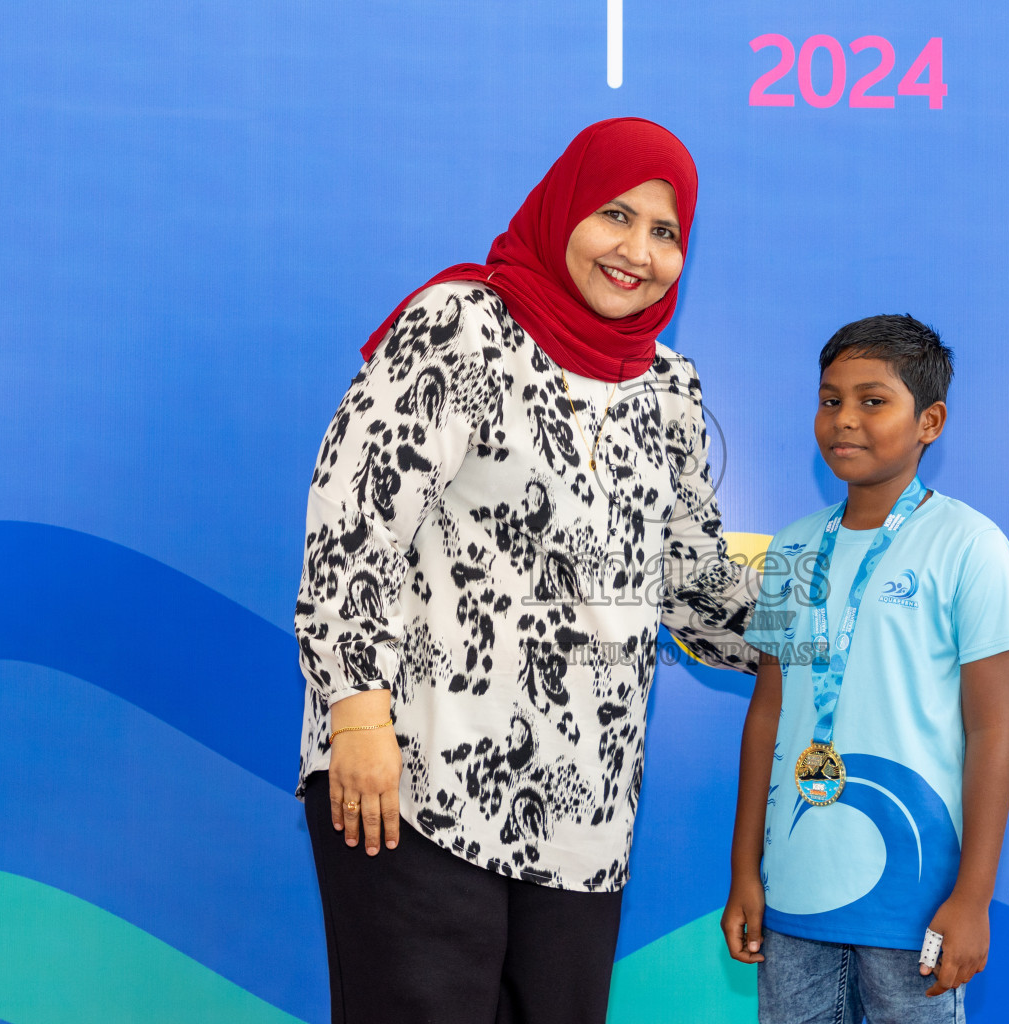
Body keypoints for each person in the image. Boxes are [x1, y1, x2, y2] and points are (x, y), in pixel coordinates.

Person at [294, 118, 758, 1024]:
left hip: (585, 816)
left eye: (667, 232)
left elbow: (694, 587)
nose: (639, 251)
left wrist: (845, 624)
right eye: (616, 215)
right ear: (564, 211)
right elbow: (353, 523)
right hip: (415, 783)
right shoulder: (462, 327)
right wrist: (355, 715)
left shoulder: (670, 388)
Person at [721, 314, 1009, 1023]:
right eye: (830, 400)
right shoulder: (795, 548)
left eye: (873, 400)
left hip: (915, 897)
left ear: (931, 421)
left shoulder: (970, 545)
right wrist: (745, 872)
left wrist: (973, 897)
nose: (844, 421)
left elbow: (992, 731)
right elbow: (766, 713)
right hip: (794, 892)